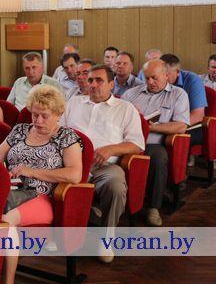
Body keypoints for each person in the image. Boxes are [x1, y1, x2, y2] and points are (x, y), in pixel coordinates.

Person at [0, 85, 82, 283]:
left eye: (44, 116)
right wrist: (2, 174)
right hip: (12, 190)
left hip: (43, 197)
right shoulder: (20, 130)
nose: (38, 121)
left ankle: (7, 281)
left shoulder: (66, 137)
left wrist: (31, 171)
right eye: (34, 115)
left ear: (58, 114)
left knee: (5, 219)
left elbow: (75, 174)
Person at [62, 65, 145, 263]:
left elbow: (137, 144)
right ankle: (57, 234)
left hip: (103, 166)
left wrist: (111, 149)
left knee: (116, 185)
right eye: (90, 80)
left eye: (99, 80)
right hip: (71, 163)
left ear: (111, 84)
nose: (93, 84)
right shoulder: (73, 103)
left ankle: (106, 239)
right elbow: (58, 131)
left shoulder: (125, 108)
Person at [122, 60, 189, 226]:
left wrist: (151, 127)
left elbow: (181, 126)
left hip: (152, 143)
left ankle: (153, 207)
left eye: (154, 78)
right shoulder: (131, 94)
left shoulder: (178, 94)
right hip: (125, 140)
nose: (150, 82)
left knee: (159, 157)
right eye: (146, 78)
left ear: (167, 75)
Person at [160, 53, 207, 166]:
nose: (164, 77)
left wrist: (171, 126)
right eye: (161, 74)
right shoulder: (157, 79)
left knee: (170, 138)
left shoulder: (193, 80)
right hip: (165, 121)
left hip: (192, 124)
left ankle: (177, 173)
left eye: (167, 74)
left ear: (178, 72)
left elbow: (198, 115)